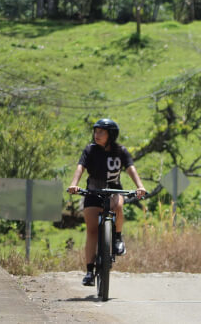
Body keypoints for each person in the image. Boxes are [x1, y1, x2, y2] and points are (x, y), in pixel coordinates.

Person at [67, 118, 147, 287]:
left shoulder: (121, 151)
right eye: (96, 131)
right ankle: (89, 271)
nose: (97, 135)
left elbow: (130, 168)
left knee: (118, 206)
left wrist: (140, 186)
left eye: (101, 132)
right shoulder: (90, 150)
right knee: (92, 231)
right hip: (93, 190)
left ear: (111, 134)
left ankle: (117, 238)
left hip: (113, 189)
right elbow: (80, 167)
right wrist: (74, 184)